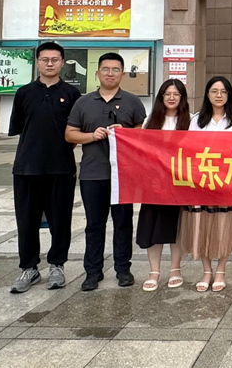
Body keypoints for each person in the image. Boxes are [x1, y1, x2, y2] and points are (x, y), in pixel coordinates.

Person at [65, 52, 146, 291]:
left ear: (123, 74)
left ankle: (123, 269)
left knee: (123, 223)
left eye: (115, 69)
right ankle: (93, 272)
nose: (110, 74)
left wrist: (126, 133)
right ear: (97, 73)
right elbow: (70, 134)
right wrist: (92, 135)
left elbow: (144, 135)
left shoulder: (133, 102)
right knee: (94, 224)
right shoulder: (83, 102)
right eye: (106, 69)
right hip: (93, 174)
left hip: (123, 175)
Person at [8, 42, 81, 293]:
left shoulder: (72, 94)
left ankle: (57, 265)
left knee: (60, 220)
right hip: (26, 167)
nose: (50, 63)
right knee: (26, 220)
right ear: (37, 62)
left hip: (61, 168)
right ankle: (29, 268)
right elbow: (20, 128)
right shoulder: (24, 93)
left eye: (55, 59)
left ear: (62, 62)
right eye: (45, 59)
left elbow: (74, 132)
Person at [181, 76, 232, 293]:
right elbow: (189, 150)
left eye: (223, 91)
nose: (219, 95)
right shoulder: (197, 120)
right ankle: (206, 270)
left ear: (229, 95)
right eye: (214, 91)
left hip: (226, 180)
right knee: (202, 224)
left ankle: (221, 271)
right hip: (202, 180)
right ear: (207, 94)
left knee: (224, 225)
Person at [136, 79, 192, 291]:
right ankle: (154, 271)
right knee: (152, 226)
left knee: (176, 227)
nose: (171, 98)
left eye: (176, 94)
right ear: (161, 97)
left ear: (182, 98)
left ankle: (175, 269)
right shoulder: (150, 121)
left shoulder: (190, 122)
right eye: (167, 94)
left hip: (179, 183)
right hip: (154, 183)